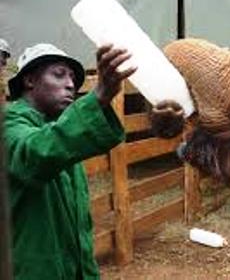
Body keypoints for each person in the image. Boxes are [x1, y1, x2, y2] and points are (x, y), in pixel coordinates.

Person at [4, 43, 136, 280]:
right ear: (30, 80)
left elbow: (80, 228)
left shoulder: (58, 132)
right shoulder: (9, 125)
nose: (71, 84)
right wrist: (99, 96)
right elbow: (34, 153)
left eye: (73, 78)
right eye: (59, 74)